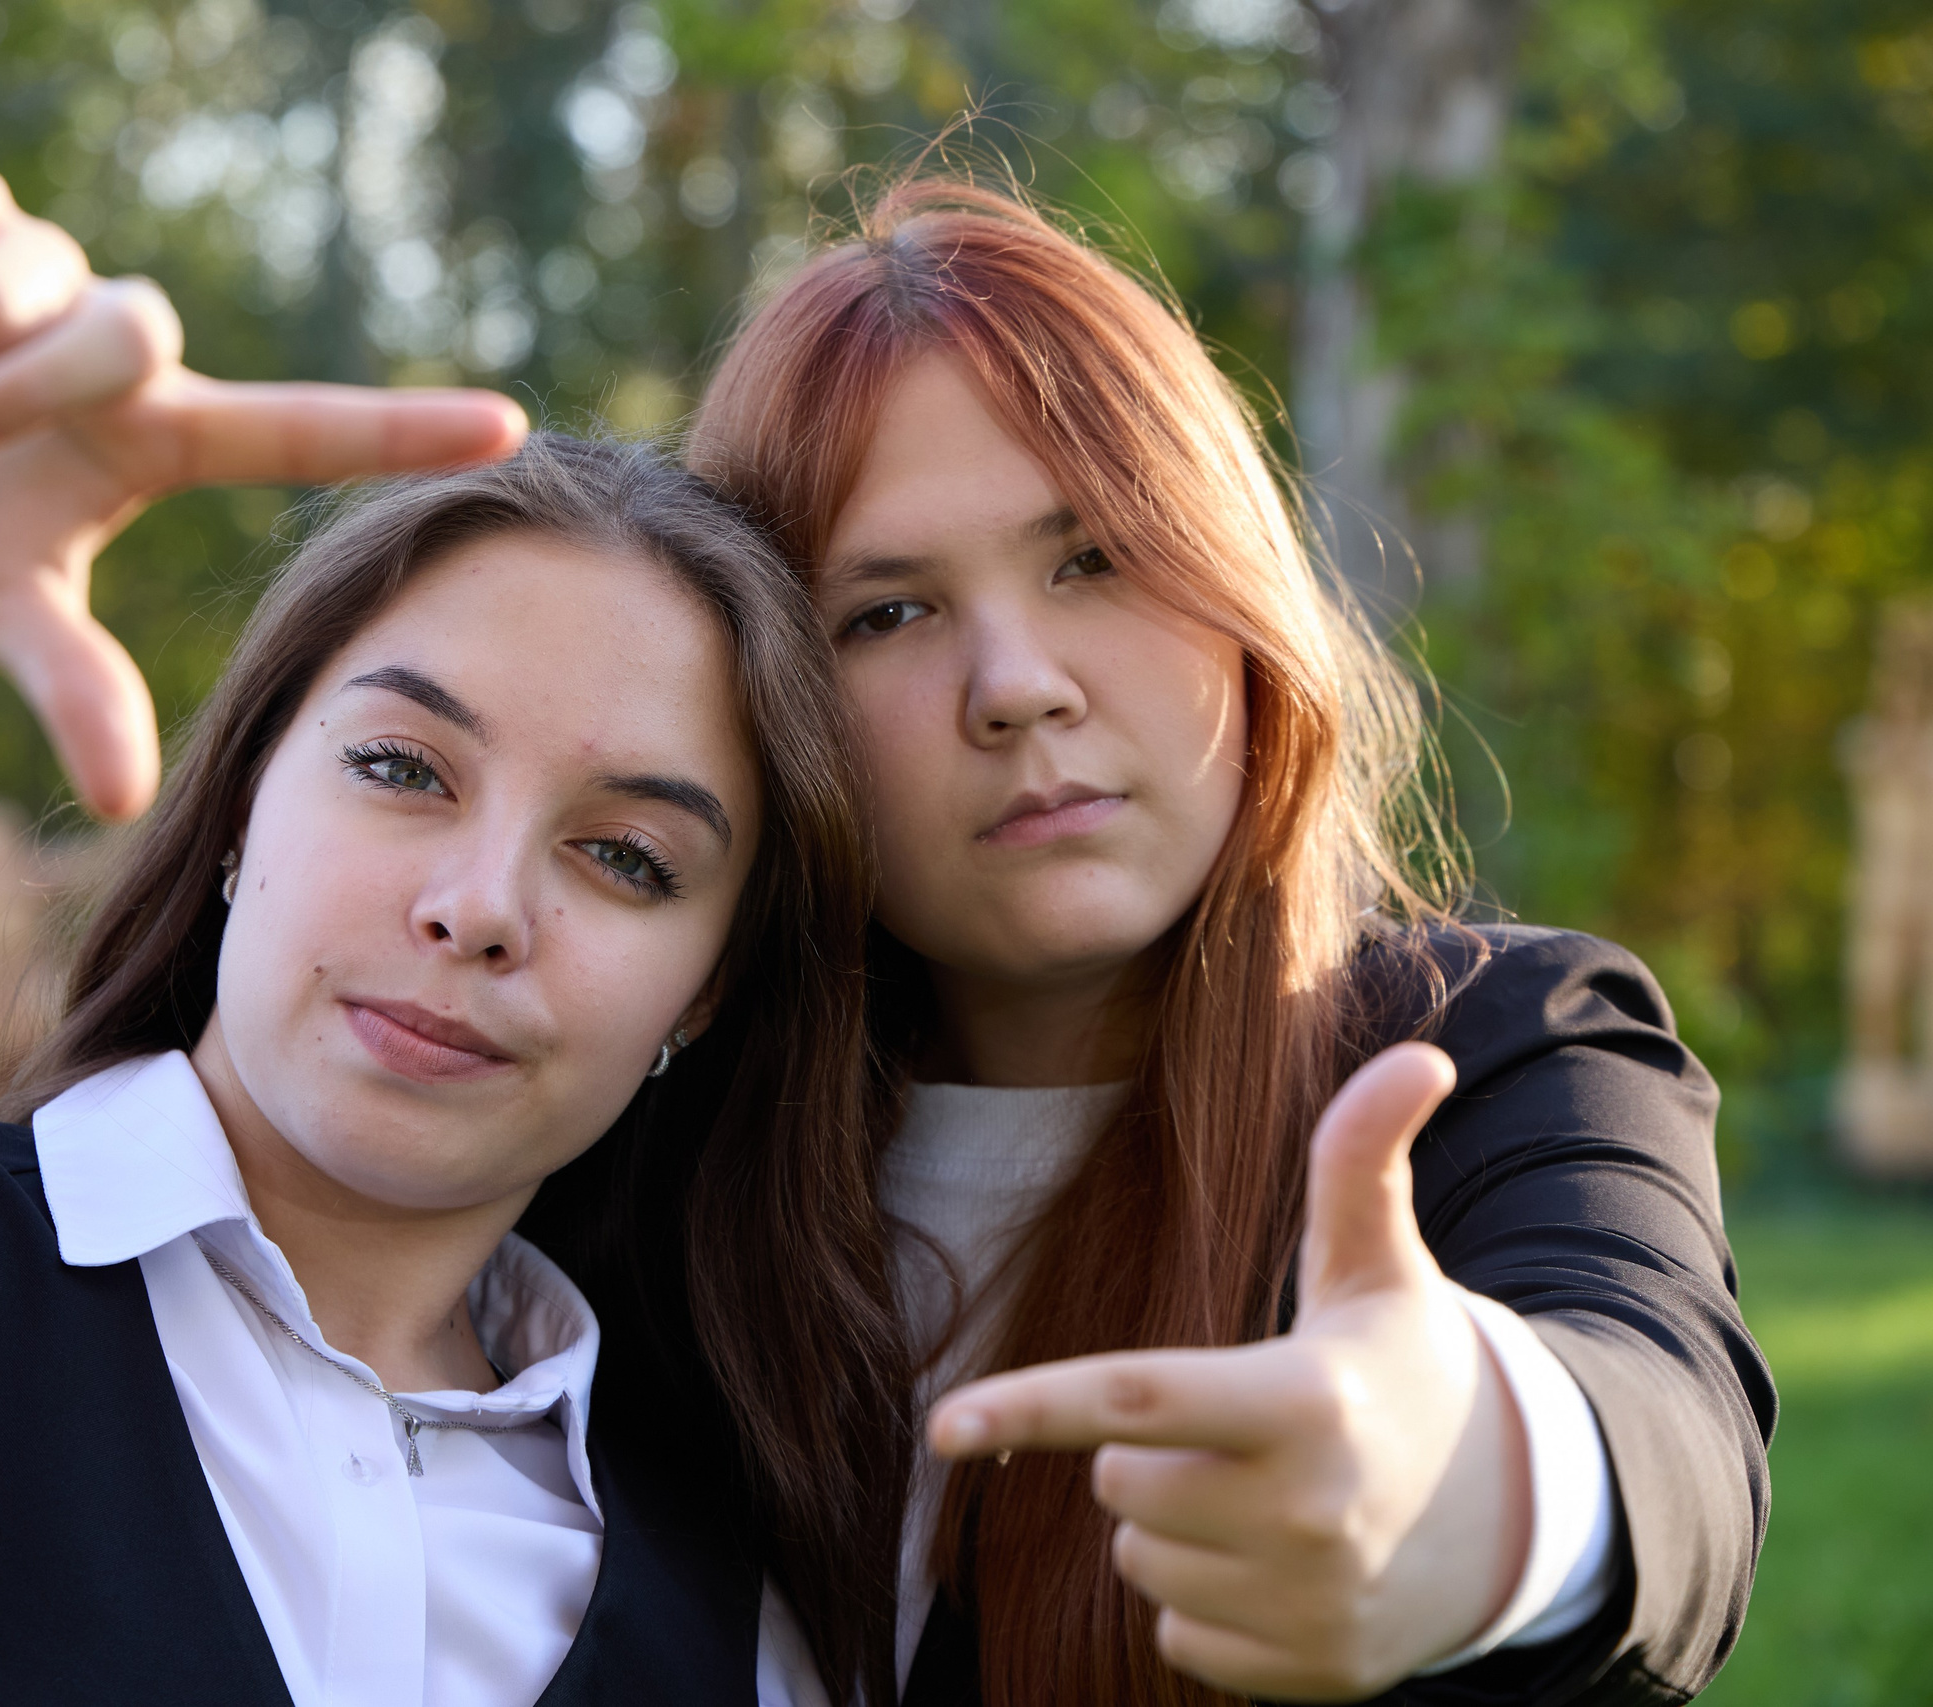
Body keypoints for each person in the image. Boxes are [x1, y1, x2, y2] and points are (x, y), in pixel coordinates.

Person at [0, 152, 909, 1702]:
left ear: (707, 994)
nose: (477, 907)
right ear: (246, 801)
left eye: (629, 859)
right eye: (402, 768)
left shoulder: (754, 1618)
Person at [677, 175, 1772, 1705]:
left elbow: (1658, 1417)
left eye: (1093, 559)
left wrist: (1475, 1483)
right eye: (886, 615)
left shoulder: (1495, 1051)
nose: (1018, 685)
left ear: (1235, 587)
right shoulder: (658, 1142)